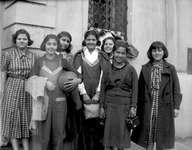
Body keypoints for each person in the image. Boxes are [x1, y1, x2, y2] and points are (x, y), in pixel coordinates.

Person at [28, 34, 82, 150]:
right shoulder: (39, 61)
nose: (51, 47)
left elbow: (79, 76)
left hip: (60, 103)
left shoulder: (62, 61)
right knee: (43, 135)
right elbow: (30, 81)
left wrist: (77, 81)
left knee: (58, 135)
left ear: (57, 46)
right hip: (43, 103)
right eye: (49, 44)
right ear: (44, 45)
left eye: (54, 44)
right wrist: (44, 81)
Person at [131, 41, 182, 150]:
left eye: (159, 50)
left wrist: (176, 107)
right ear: (150, 52)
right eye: (154, 50)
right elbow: (139, 90)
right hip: (148, 105)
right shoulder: (145, 68)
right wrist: (135, 106)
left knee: (161, 137)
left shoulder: (170, 68)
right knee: (148, 135)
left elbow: (176, 89)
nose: (157, 53)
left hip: (164, 106)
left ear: (164, 52)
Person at [0, 29, 37, 150]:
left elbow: (36, 74)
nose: (22, 41)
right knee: (12, 117)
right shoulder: (8, 55)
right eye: (19, 38)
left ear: (28, 41)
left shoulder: (34, 56)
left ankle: (26, 148)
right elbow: (3, 72)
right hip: (12, 86)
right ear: (15, 41)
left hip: (28, 88)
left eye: (24, 39)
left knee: (26, 118)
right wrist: (3, 90)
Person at [73, 29, 110, 150]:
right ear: (85, 40)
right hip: (83, 95)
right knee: (83, 127)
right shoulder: (79, 55)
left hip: (98, 95)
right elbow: (77, 75)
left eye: (93, 39)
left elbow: (104, 76)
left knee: (97, 127)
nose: (91, 42)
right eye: (88, 39)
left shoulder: (102, 55)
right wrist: (83, 93)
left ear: (97, 41)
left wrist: (98, 93)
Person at [99, 41, 138, 150]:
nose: (119, 55)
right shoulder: (107, 69)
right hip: (109, 106)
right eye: (117, 52)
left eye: (122, 53)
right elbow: (103, 88)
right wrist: (101, 107)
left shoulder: (131, 70)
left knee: (121, 137)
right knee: (109, 137)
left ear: (126, 54)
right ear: (113, 53)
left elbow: (135, 89)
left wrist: (133, 106)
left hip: (124, 107)